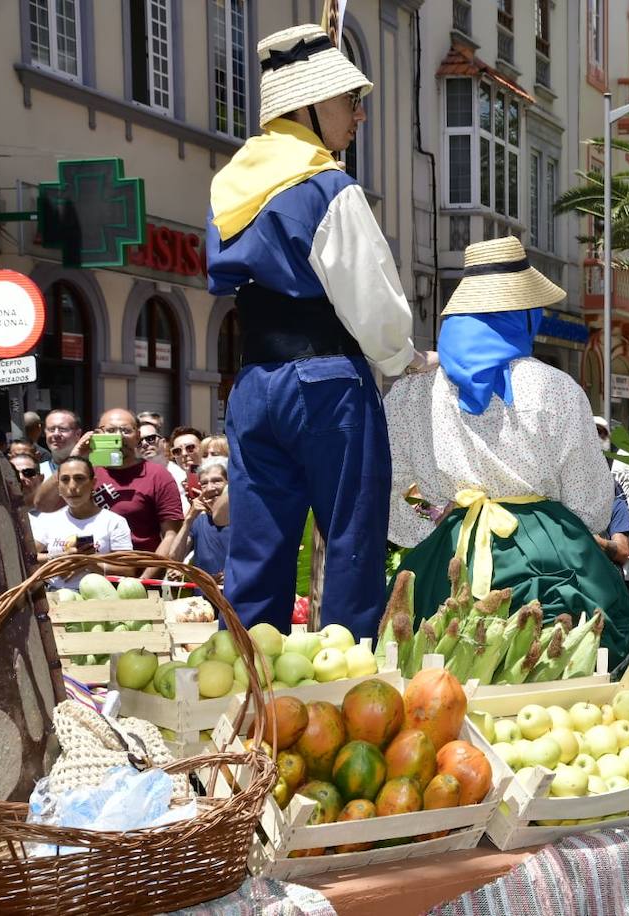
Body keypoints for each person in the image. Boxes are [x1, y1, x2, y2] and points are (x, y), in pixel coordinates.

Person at [205, 24, 429, 635]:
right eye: (348, 102)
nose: (358, 115)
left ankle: (251, 690)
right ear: (308, 108)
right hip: (326, 381)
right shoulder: (330, 186)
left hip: (253, 386)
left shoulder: (232, 184)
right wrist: (401, 357)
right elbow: (373, 300)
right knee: (352, 545)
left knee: (257, 549)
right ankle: (347, 690)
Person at [385, 237, 629, 662]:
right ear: (526, 316)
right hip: (549, 557)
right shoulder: (556, 388)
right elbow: (590, 505)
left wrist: (429, 537)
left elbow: (380, 493)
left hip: (451, 557)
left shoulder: (412, 393)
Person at [32, 409, 184, 553]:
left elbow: (171, 534)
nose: (119, 437)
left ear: (137, 435)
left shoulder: (157, 475)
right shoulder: (88, 469)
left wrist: (147, 577)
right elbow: (43, 505)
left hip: (136, 572)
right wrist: (74, 457)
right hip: (89, 571)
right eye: (110, 431)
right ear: (98, 434)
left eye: (126, 430)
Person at [29, 457, 134, 590]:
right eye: (65, 480)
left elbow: (128, 570)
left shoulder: (114, 522)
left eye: (79, 478)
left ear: (93, 483)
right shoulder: (48, 520)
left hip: (100, 600)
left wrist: (89, 563)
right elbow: (29, 557)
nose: (72, 486)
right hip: (54, 598)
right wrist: (58, 557)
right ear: (58, 486)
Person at [163, 457, 231, 578]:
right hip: (202, 595)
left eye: (217, 481)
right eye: (204, 483)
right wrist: (189, 519)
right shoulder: (198, 520)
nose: (210, 488)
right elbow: (174, 560)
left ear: (228, 484)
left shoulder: (241, 517)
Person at [40, 409, 82, 478]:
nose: (56, 434)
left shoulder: (92, 471)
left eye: (62, 429)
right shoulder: (37, 472)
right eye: (51, 429)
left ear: (77, 434)